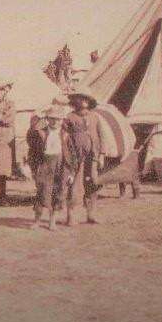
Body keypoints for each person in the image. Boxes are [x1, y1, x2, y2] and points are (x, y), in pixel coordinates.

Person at [27, 102, 79, 230]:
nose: (55, 122)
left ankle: (52, 221)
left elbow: (72, 154)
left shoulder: (66, 134)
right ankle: (37, 221)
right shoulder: (41, 133)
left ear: (62, 120)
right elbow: (32, 151)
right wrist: (34, 169)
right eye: (52, 119)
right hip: (45, 164)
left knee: (59, 192)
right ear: (47, 119)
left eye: (58, 119)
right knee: (42, 192)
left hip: (62, 165)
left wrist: (72, 172)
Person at [65, 90, 104, 224]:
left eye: (86, 99)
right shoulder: (70, 117)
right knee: (74, 186)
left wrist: (102, 155)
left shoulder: (95, 117)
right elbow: (64, 137)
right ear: (75, 101)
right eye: (80, 98)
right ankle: (71, 216)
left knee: (92, 183)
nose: (83, 101)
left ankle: (91, 214)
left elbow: (101, 136)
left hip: (92, 157)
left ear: (90, 102)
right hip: (76, 157)